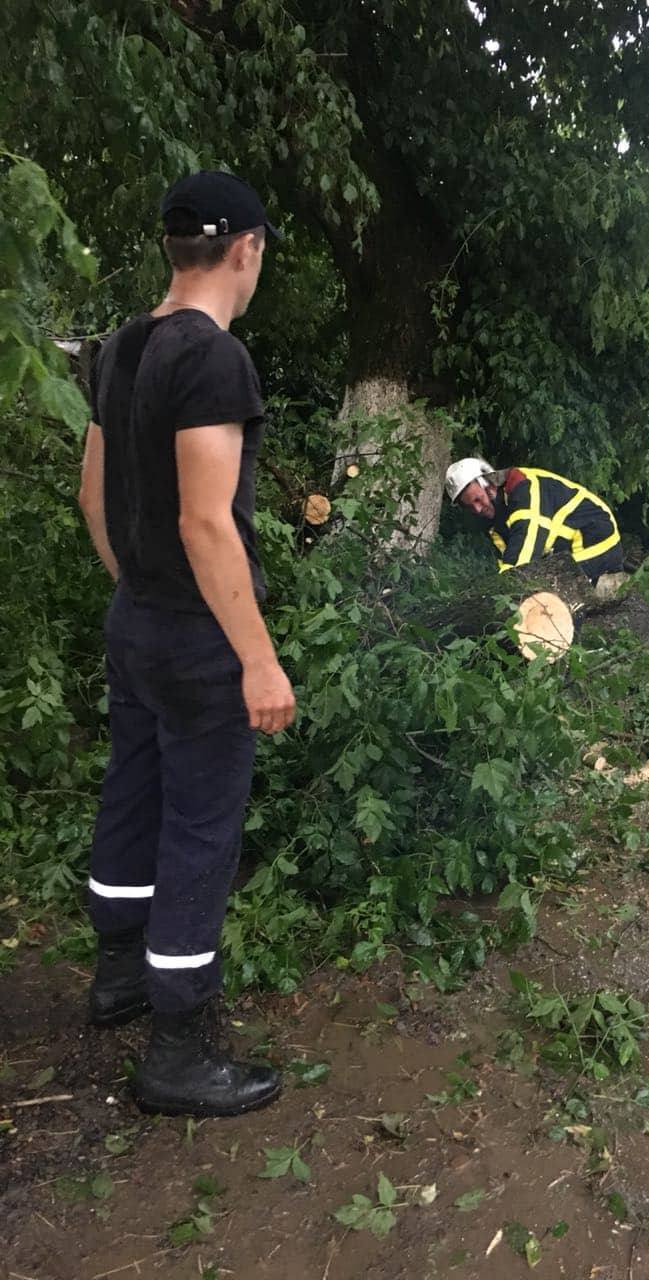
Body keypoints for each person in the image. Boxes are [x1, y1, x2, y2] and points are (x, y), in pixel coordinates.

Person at [77, 170, 296, 1117]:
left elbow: (95, 499)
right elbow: (209, 526)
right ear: (245, 248)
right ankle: (177, 1046)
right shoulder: (212, 359)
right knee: (200, 829)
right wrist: (258, 657)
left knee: (132, 794)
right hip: (199, 640)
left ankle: (118, 978)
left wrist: (142, 596)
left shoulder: (119, 348)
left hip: (137, 623)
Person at [444, 457, 623, 584]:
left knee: (559, 589)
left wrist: (506, 587)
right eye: (469, 506)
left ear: (488, 484)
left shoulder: (525, 488)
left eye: (477, 499)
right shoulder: (496, 522)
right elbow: (507, 560)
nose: (477, 509)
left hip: (597, 542)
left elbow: (527, 546)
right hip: (566, 551)